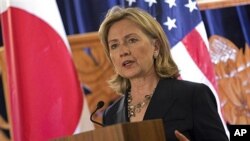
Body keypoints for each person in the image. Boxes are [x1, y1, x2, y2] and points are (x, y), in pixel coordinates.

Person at [98, 6, 229, 141]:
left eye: (132, 40)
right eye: (114, 45)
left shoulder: (193, 95)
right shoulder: (111, 114)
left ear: (156, 46)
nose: (123, 51)